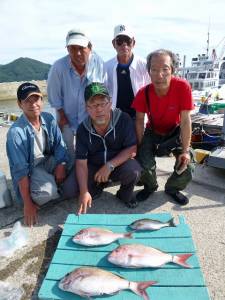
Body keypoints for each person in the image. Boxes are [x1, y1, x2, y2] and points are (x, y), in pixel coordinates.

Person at [132, 49, 194, 205]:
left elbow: (186, 120)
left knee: (188, 165)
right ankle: (150, 186)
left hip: (175, 132)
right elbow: (139, 120)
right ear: (149, 72)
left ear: (172, 70)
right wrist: (139, 147)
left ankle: (173, 188)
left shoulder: (182, 87)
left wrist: (185, 151)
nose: (159, 75)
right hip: (152, 132)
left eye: (165, 69)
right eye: (154, 69)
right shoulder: (143, 93)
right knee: (143, 162)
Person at [6, 82, 71, 226]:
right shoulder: (15, 133)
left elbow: (60, 145)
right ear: (19, 104)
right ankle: (48, 189)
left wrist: (61, 164)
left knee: (73, 158)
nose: (33, 104)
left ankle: (55, 181)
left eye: (36, 99)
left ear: (42, 101)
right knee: (48, 192)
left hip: (48, 160)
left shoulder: (48, 118)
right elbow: (20, 171)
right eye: (27, 101)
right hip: (31, 169)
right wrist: (27, 204)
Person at [75, 82, 142, 214]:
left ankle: (124, 194)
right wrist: (84, 192)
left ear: (110, 103)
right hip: (94, 167)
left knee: (134, 171)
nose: (98, 109)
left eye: (102, 103)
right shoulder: (82, 129)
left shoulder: (123, 119)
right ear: (86, 108)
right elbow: (81, 163)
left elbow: (132, 148)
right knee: (72, 189)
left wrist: (109, 166)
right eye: (93, 105)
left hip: (117, 165)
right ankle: (97, 187)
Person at [47, 28, 106, 162]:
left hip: (90, 116)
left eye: (81, 48)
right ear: (67, 49)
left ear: (90, 48)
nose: (77, 53)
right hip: (66, 115)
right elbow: (54, 96)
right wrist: (61, 116)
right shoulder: (58, 67)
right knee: (68, 150)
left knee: (90, 150)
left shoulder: (98, 64)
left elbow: (102, 93)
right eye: (72, 48)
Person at [105, 24, 150, 119]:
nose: (124, 44)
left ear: (133, 43)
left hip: (139, 117)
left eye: (128, 40)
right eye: (120, 41)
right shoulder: (106, 67)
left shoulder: (145, 65)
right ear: (114, 43)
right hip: (115, 118)